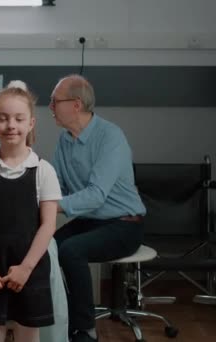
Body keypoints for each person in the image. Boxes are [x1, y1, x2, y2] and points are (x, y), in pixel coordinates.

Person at [0, 81, 62, 342]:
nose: (11, 125)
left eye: (19, 119)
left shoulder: (44, 171)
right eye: (3, 119)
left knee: (28, 335)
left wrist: (26, 268)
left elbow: (48, 225)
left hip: (30, 267)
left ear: (30, 123)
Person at [50, 75, 145, 342]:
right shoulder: (64, 141)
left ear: (76, 104)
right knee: (48, 246)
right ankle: (63, 321)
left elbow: (96, 195)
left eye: (55, 101)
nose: (50, 107)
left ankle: (84, 330)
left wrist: (49, 206)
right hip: (92, 222)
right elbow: (57, 187)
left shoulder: (110, 136)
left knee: (71, 251)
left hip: (125, 224)